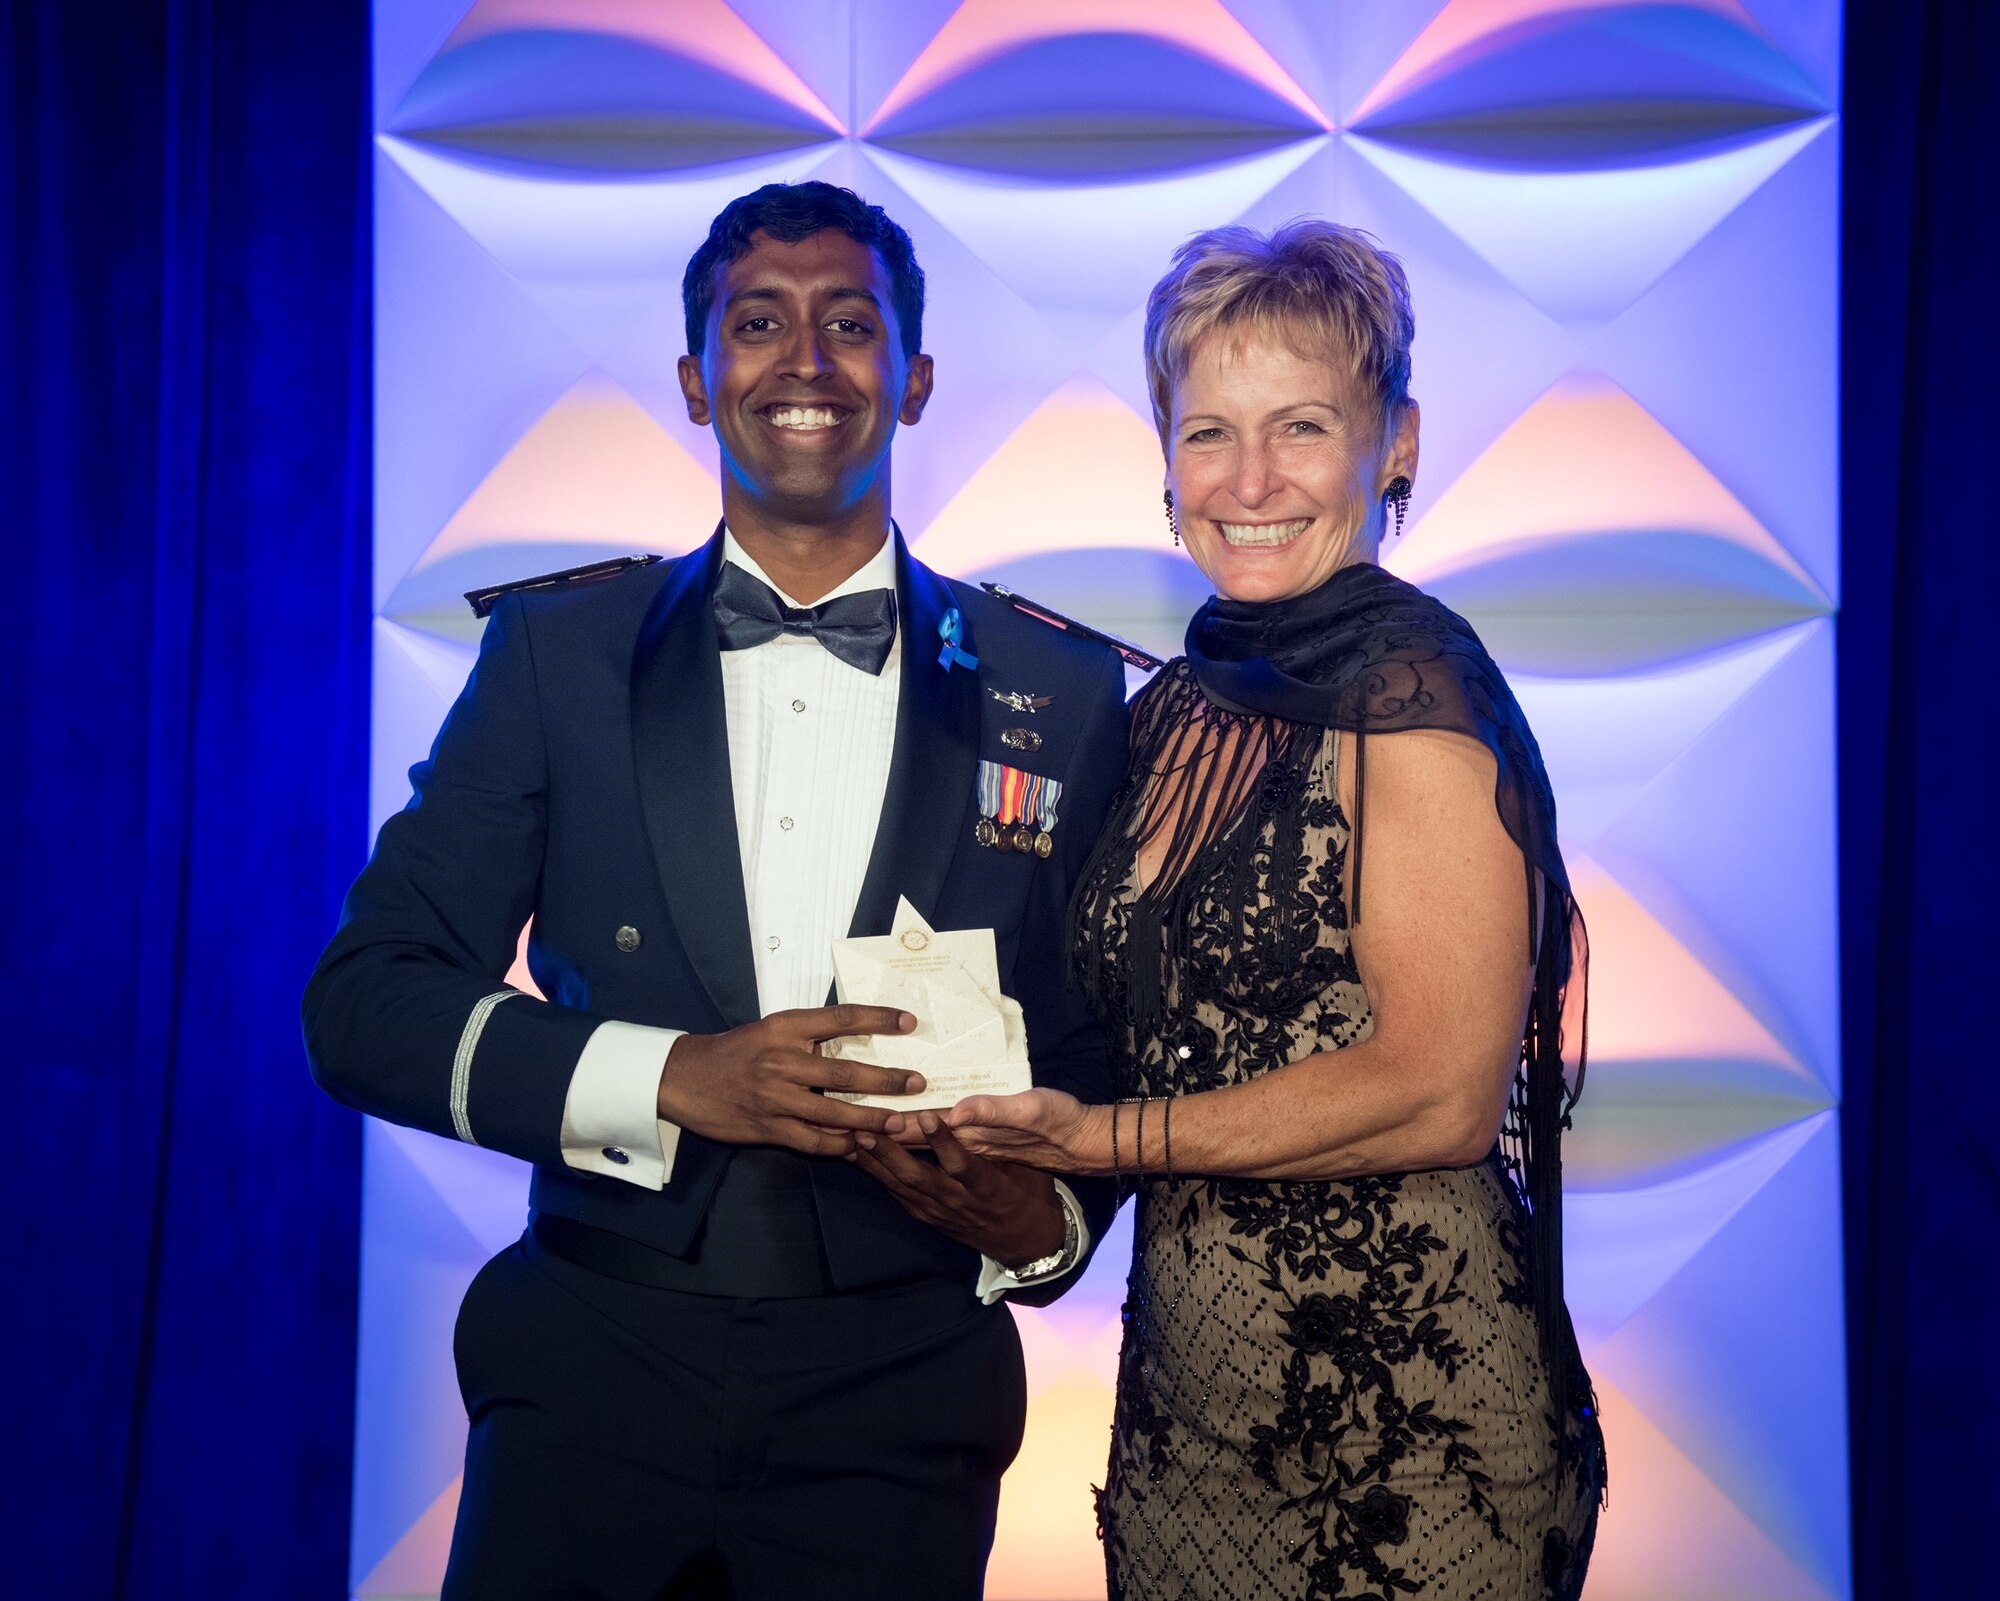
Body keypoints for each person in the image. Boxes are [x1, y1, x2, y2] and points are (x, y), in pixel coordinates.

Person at [304, 181, 1129, 1600]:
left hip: (904, 1392)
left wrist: (1038, 1226)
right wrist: (676, 1075)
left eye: (850, 325)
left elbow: (1097, 1035)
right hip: (590, 1375)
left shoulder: (1058, 682)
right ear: (697, 381)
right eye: (758, 324)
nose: (805, 362)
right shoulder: (556, 655)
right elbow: (365, 1005)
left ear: (915, 380)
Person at [947, 221, 1608, 1600]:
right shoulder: (1170, 710)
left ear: (1397, 442)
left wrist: (1107, 1135)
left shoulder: (1413, 696)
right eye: (1208, 434)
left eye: (1302, 427)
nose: (1250, 482)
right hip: (1189, 1425)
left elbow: (1435, 1088)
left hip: (1412, 1435)